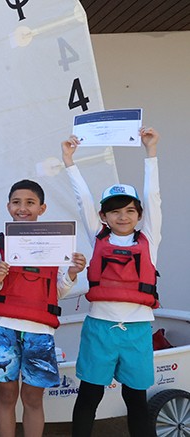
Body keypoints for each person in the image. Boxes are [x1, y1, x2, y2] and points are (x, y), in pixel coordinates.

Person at [64, 127, 161, 437]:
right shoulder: (98, 236)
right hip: (100, 328)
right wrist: (69, 161)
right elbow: (83, 199)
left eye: (130, 210)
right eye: (115, 211)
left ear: (139, 214)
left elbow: (153, 198)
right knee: (89, 395)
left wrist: (150, 152)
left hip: (137, 330)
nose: (123, 217)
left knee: (135, 399)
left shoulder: (149, 240)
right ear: (104, 216)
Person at [0, 180, 86, 437]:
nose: (22, 208)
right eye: (16, 202)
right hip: (3, 327)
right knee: (6, 395)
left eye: (30, 203)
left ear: (42, 208)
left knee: (33, 397)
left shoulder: (58, 243)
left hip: (40, 330)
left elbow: (57, 292)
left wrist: (72, 273)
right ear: (8, 206)